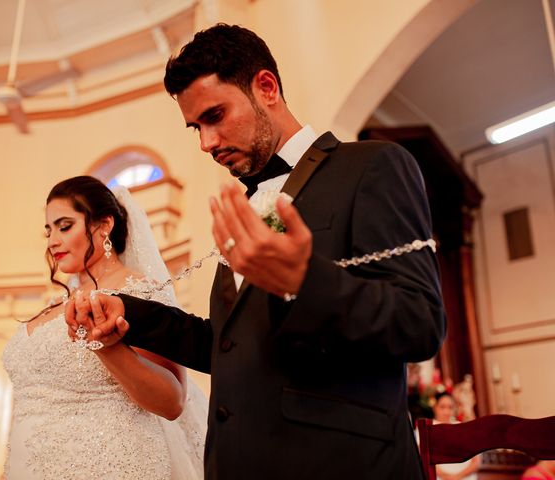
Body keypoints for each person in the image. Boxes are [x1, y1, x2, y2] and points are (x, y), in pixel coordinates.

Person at [68, 24, 446, 479]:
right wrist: (128, 313)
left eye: (215, 116)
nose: (206, 143)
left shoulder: (372, 167)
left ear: (266, 87)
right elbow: (228, 346)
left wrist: (306, 279)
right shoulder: (244, 206)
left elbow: (420, 323)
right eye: (196, 127)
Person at [1, 176, 207, 479]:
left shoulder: (139, 294)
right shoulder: (58, 302)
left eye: (64, 226)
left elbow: (172, 400)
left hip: (106, 464)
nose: (52, 241)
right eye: (49, 230)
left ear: (103, 225)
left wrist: (105, 345)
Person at [431, 392, 480, 480]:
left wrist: (457, 477)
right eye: (442, 407)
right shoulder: (427, 429)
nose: (446, 412)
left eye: (450, 407)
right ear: (435, 408)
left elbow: (476, 461)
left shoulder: (463, 428)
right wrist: (449, 477)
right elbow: (425, 460)